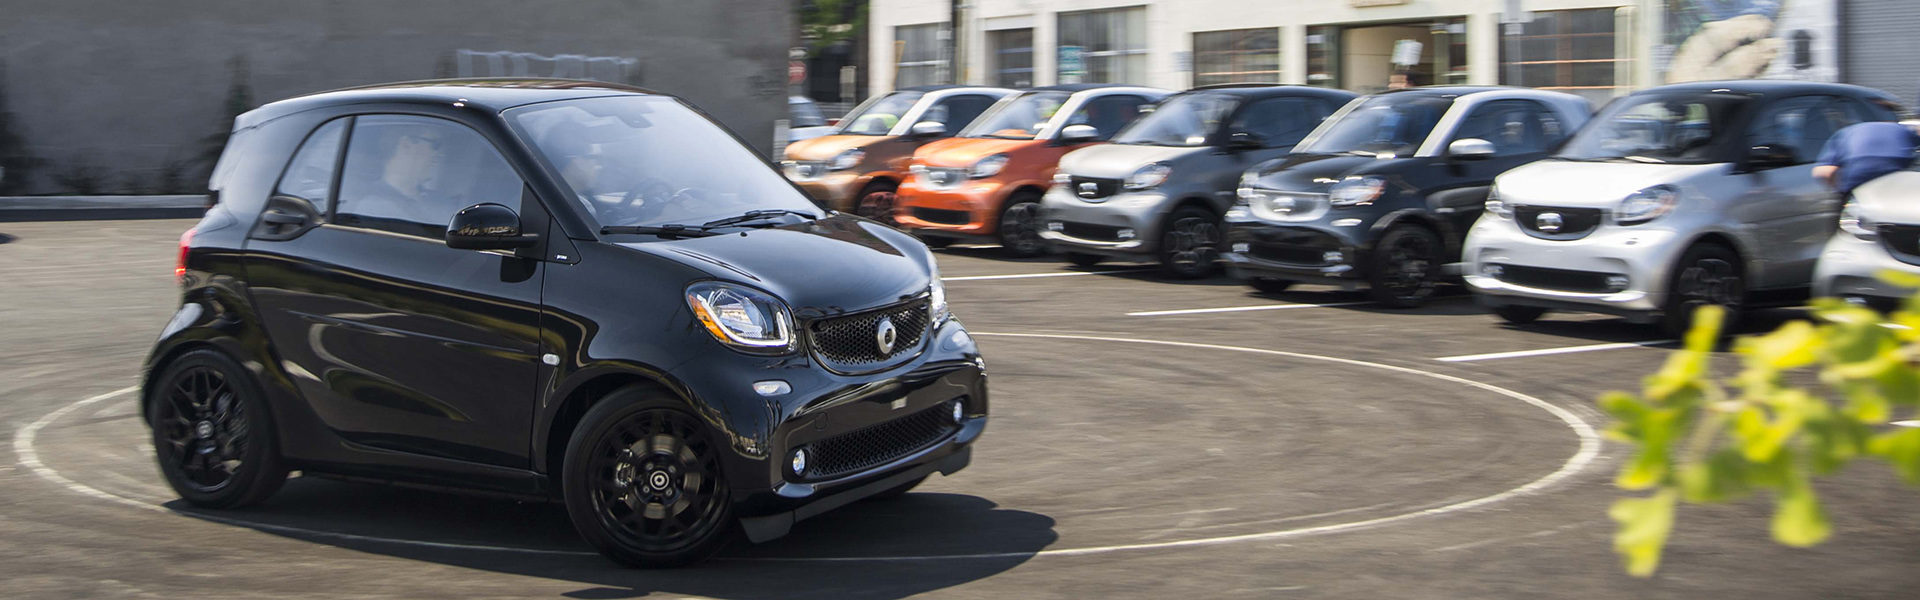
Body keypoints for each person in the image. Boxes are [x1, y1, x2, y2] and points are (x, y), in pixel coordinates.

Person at [1813, 120, 1920, 197]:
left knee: (1851, 208)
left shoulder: (1843, 134)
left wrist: (1839, 192)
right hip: (1896, 162)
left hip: (1859, 167)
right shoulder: (1903, 129)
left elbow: (1825, 171)